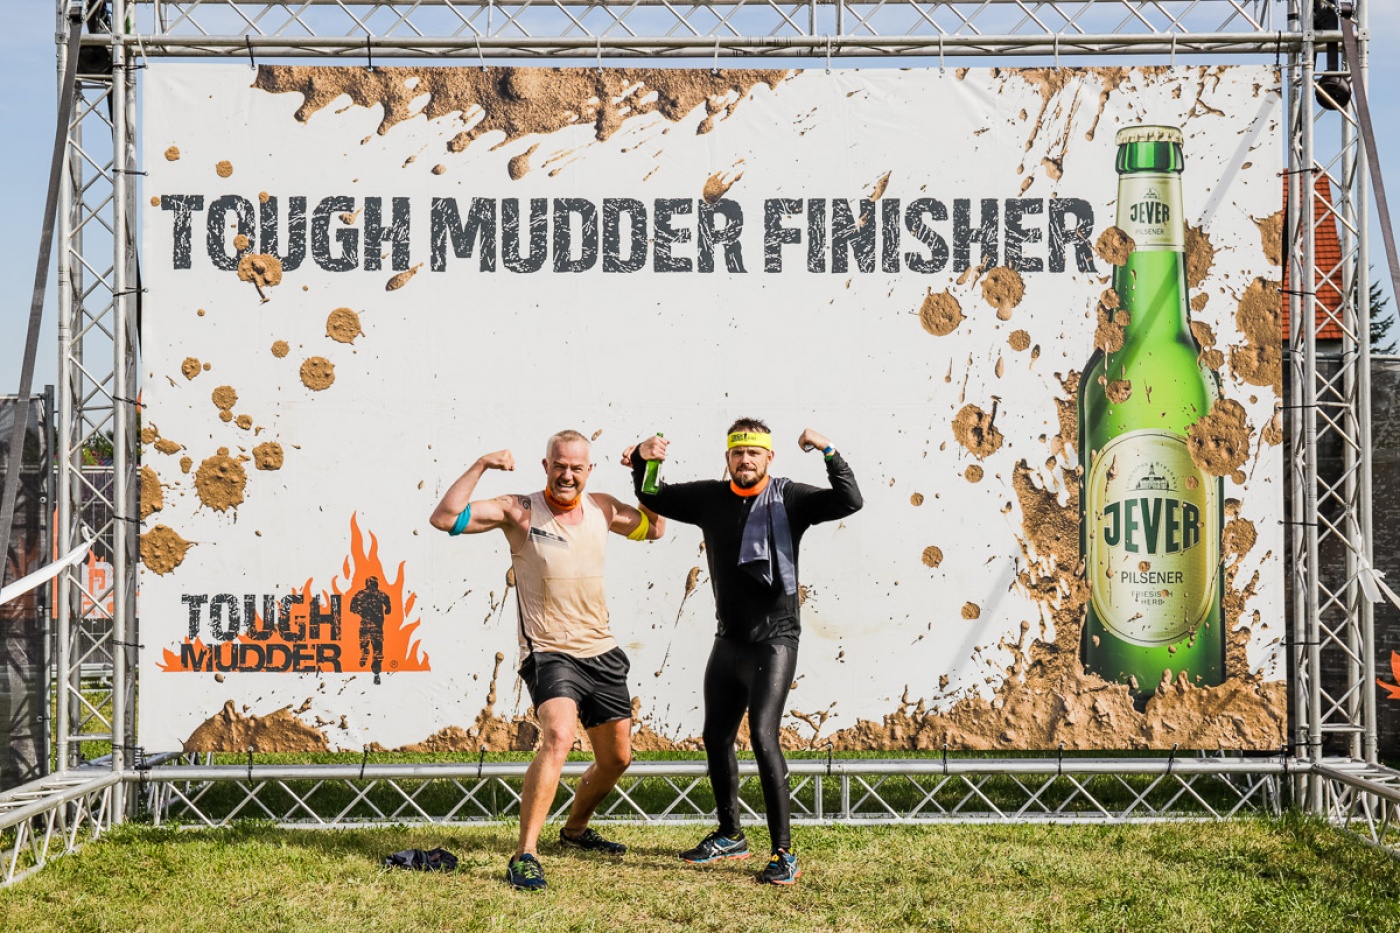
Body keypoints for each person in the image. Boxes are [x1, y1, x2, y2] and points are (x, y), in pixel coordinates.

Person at [624, 419, 861, 885]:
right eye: (738, 452)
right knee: (716, 738)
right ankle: (730, 834)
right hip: (728, 639)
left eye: (754, 452)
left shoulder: (790, 499)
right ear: (728, 457)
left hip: (775, 640)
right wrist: (642, 459)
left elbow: (849, 499)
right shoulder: (712, 497)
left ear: (769, 457)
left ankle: (783, 853)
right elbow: (654, 495)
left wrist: (828, 449)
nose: (745, 460)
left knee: (763, 738)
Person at [430, 430, 664, 891]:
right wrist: (481, 463)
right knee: (557, 737)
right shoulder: (520, 510)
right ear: (546, 466)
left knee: (617, 759)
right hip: (549, 651)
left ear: (589, 470)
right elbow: (444, 518)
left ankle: (574, 831)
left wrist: (647, 468)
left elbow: (654, 528)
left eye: (576, 467)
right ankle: (525, 854)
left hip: (601, 650)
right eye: (559, 466)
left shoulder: (602, 508)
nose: (567, 475)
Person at [349, 575, 391, 684]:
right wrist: (387, 610)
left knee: (365, 641)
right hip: (376, 625)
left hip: (366, 624)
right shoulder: (380, 594)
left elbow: (352, 607)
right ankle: (376, 670)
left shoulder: (361, 594)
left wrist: (361, 611)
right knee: (377, 647)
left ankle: (365, 653)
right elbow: (388, 603)